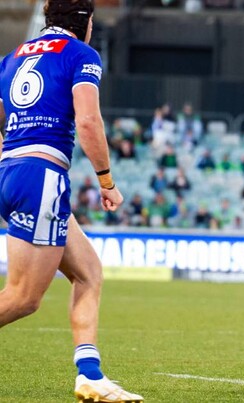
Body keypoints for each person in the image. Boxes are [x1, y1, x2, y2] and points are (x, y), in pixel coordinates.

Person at [0, 1, 143, 402]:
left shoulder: (10, 58)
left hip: (13, 170)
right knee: (24, 297)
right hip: (42, 175)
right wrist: (106, 181)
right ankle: (89, 376)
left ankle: (90, 374)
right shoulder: (82, 54)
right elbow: (87, 121)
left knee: (88, 272)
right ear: (85, 22)